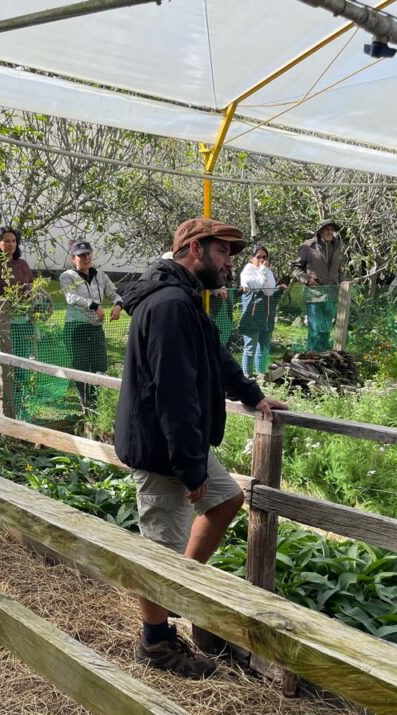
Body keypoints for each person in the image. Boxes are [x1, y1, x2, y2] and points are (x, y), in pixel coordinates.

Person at [115, 217, 287, 679]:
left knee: (228, 499)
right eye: (224, 252)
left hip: (177, 442)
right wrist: (192, 469)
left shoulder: (185, 299)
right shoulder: (170, 305)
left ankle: (178, 594)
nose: (230, 263)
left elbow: (216, 358)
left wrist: (253, 396)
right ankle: (156, 643)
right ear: (195, 249)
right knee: (160, 550)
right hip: (163, 448)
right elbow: (173, 394)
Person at [0, 226, 35, 417]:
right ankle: (3, 408)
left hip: (22, 324)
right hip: (2, 327)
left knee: (20, 366)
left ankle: (20, 406)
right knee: (3, 368)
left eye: (13, 241)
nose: (10, 244)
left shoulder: (22, 265)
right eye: (6, 241)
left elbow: (32, 289)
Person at [59, 240, 122, 411]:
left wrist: (118, 305)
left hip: (95, 329)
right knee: (81, 369)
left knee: (100, 368)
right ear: (73, 259)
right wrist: (95, 305)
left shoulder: (100, 275)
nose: (86, 257)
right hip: (76, 329)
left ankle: (97, 407)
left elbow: (114, 293)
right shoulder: (67, 276)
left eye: (88, 254)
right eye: (81, 255)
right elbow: (70, 298)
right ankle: (85, 407)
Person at [293, 219, 344, 352]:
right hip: (314, 295)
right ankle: (312, 356)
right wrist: (306, 279)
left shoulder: (337, 245)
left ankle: (323, 358)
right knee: (315, 329)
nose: (330, 232)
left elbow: (340, 269)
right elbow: (296, 268)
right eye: (327, 229)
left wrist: (342, 286)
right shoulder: (308, 247)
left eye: (332, 229)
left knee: (326, 329)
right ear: (320, 231)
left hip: (331, 294)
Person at [238, 244, 282, 376]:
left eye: (264, 257)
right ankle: (247, 376)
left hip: (267, 314)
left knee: (264, 347)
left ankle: (262, 374)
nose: (262, 260)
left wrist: (264, 271)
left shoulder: (268, 271)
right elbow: (256, 286)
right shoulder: (247, 271)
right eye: (258, 257)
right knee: (250, 347)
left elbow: (269, 291)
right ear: (252, 258)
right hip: (252, 315)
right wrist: (263, 270)